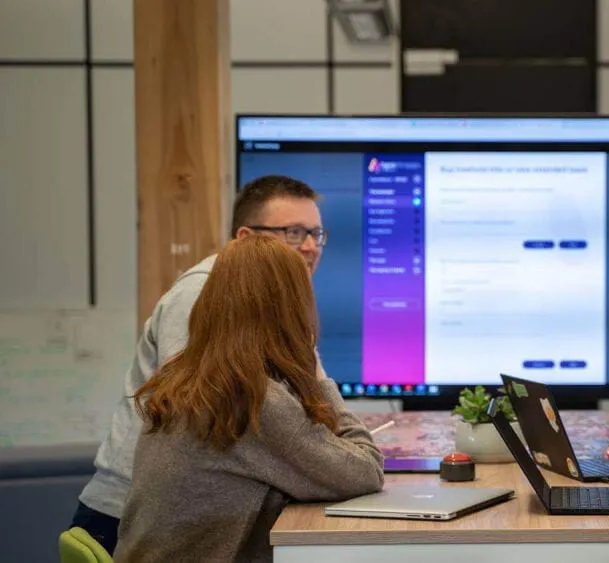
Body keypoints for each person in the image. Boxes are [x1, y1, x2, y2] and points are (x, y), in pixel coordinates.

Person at [71, 175, 332, 554]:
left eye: (315, 233)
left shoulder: (281, 303)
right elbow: (204, 403)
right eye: (293, 232)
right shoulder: (203, 293)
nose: (309, 247)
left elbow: (313, 403)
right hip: (132, 517)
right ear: (245, 239)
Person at [114, 234, 383, 561]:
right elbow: (365, 470)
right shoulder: (251, 399)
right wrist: (314, 370)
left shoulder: (183, 379)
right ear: (290, 311)